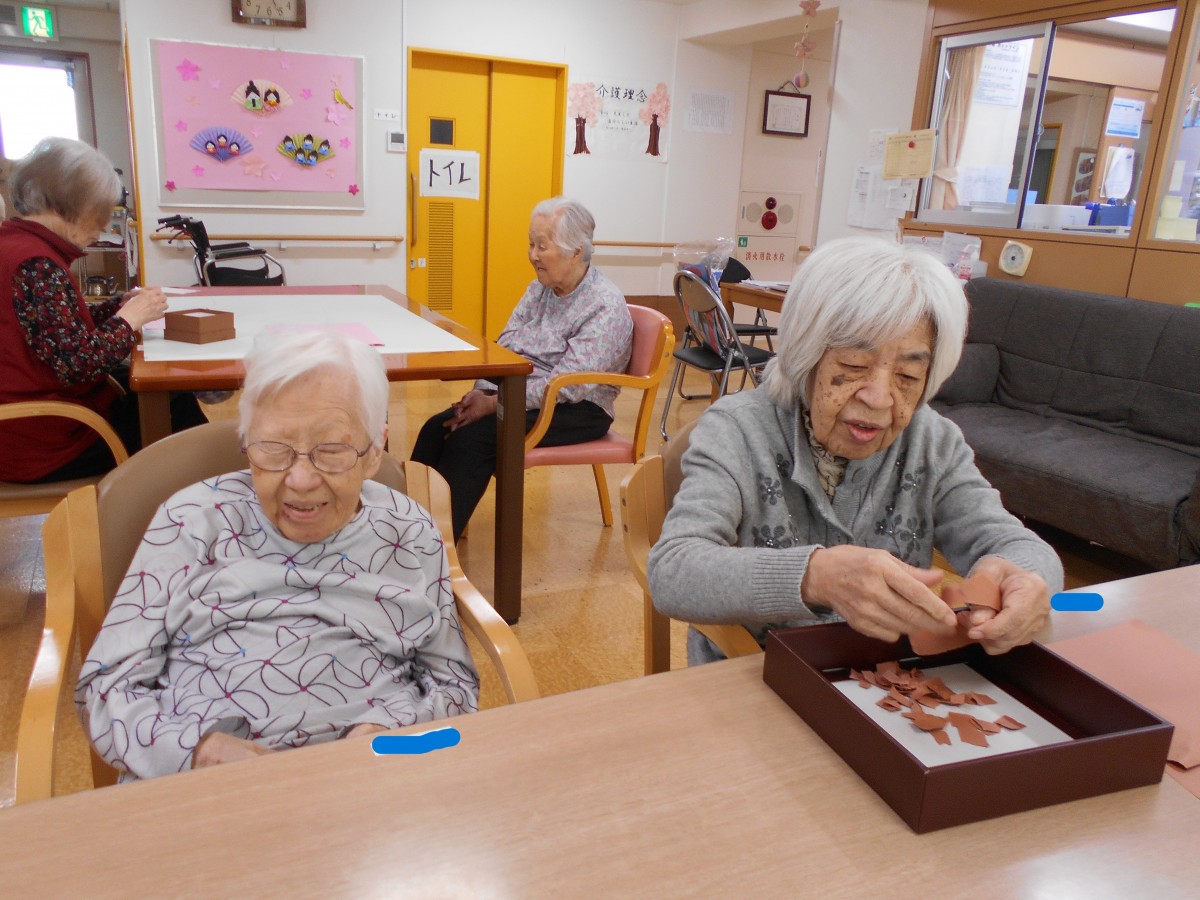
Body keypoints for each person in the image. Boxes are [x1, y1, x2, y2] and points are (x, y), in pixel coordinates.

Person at [76, 330, 479, 779]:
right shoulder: (192, 520)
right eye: (272, 449)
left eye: (331, 450)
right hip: (205, 788)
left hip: (375, 781)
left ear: (374, 451)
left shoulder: (408, 529)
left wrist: (390, 740)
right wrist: (197, 752)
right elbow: (105, 691)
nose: (300, 480)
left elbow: (458, 690)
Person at [648, 236, 1061, 665]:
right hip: (751, 675)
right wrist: (815, 577)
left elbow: (1014, 543)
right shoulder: (738, 430)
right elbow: (673, 570)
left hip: (879, 679)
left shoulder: (932, 442)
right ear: (805, 355)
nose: (880, 398)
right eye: (853, 366)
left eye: (908, 376)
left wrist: (1028, 580)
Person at [411, 196, 634, 539]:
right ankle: (402, 527)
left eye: (542, 246)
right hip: (518, 391)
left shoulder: (604, 305)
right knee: (437, 428)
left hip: (577, 407)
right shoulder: (539, 289)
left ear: (576, 251)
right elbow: (504, 347)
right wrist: (483, 393)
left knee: (471, 440)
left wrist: (495, 404)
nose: (533, 255)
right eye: (531, 244)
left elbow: (568, 385)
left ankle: (431, 547)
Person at [0, 136, 202, 484]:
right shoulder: (36, 264)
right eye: (102, 211)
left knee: (164, 393)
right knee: (175, 412)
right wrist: (130, 319)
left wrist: (119, 306)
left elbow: (54, 333)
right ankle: (195, 497)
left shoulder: (16, 245)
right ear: (77, 204)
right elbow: (78, 363)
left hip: (29, 428)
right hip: (43, 441)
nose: (104, 225)